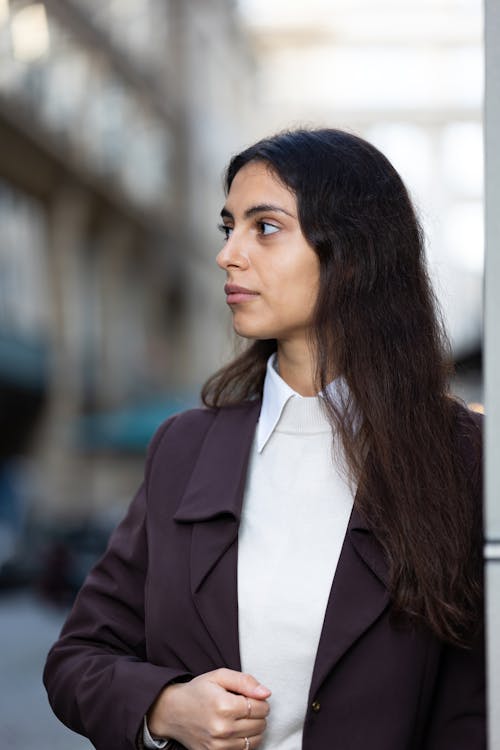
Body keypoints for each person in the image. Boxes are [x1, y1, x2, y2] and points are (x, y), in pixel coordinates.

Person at [43, 128, 485, 750]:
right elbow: (77, 657)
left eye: (265, 227)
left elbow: (477, 705)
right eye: (229, 228)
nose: (229, 254)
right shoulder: (183, 448)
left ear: (353, 251)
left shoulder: (465, 455)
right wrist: (164, 707)